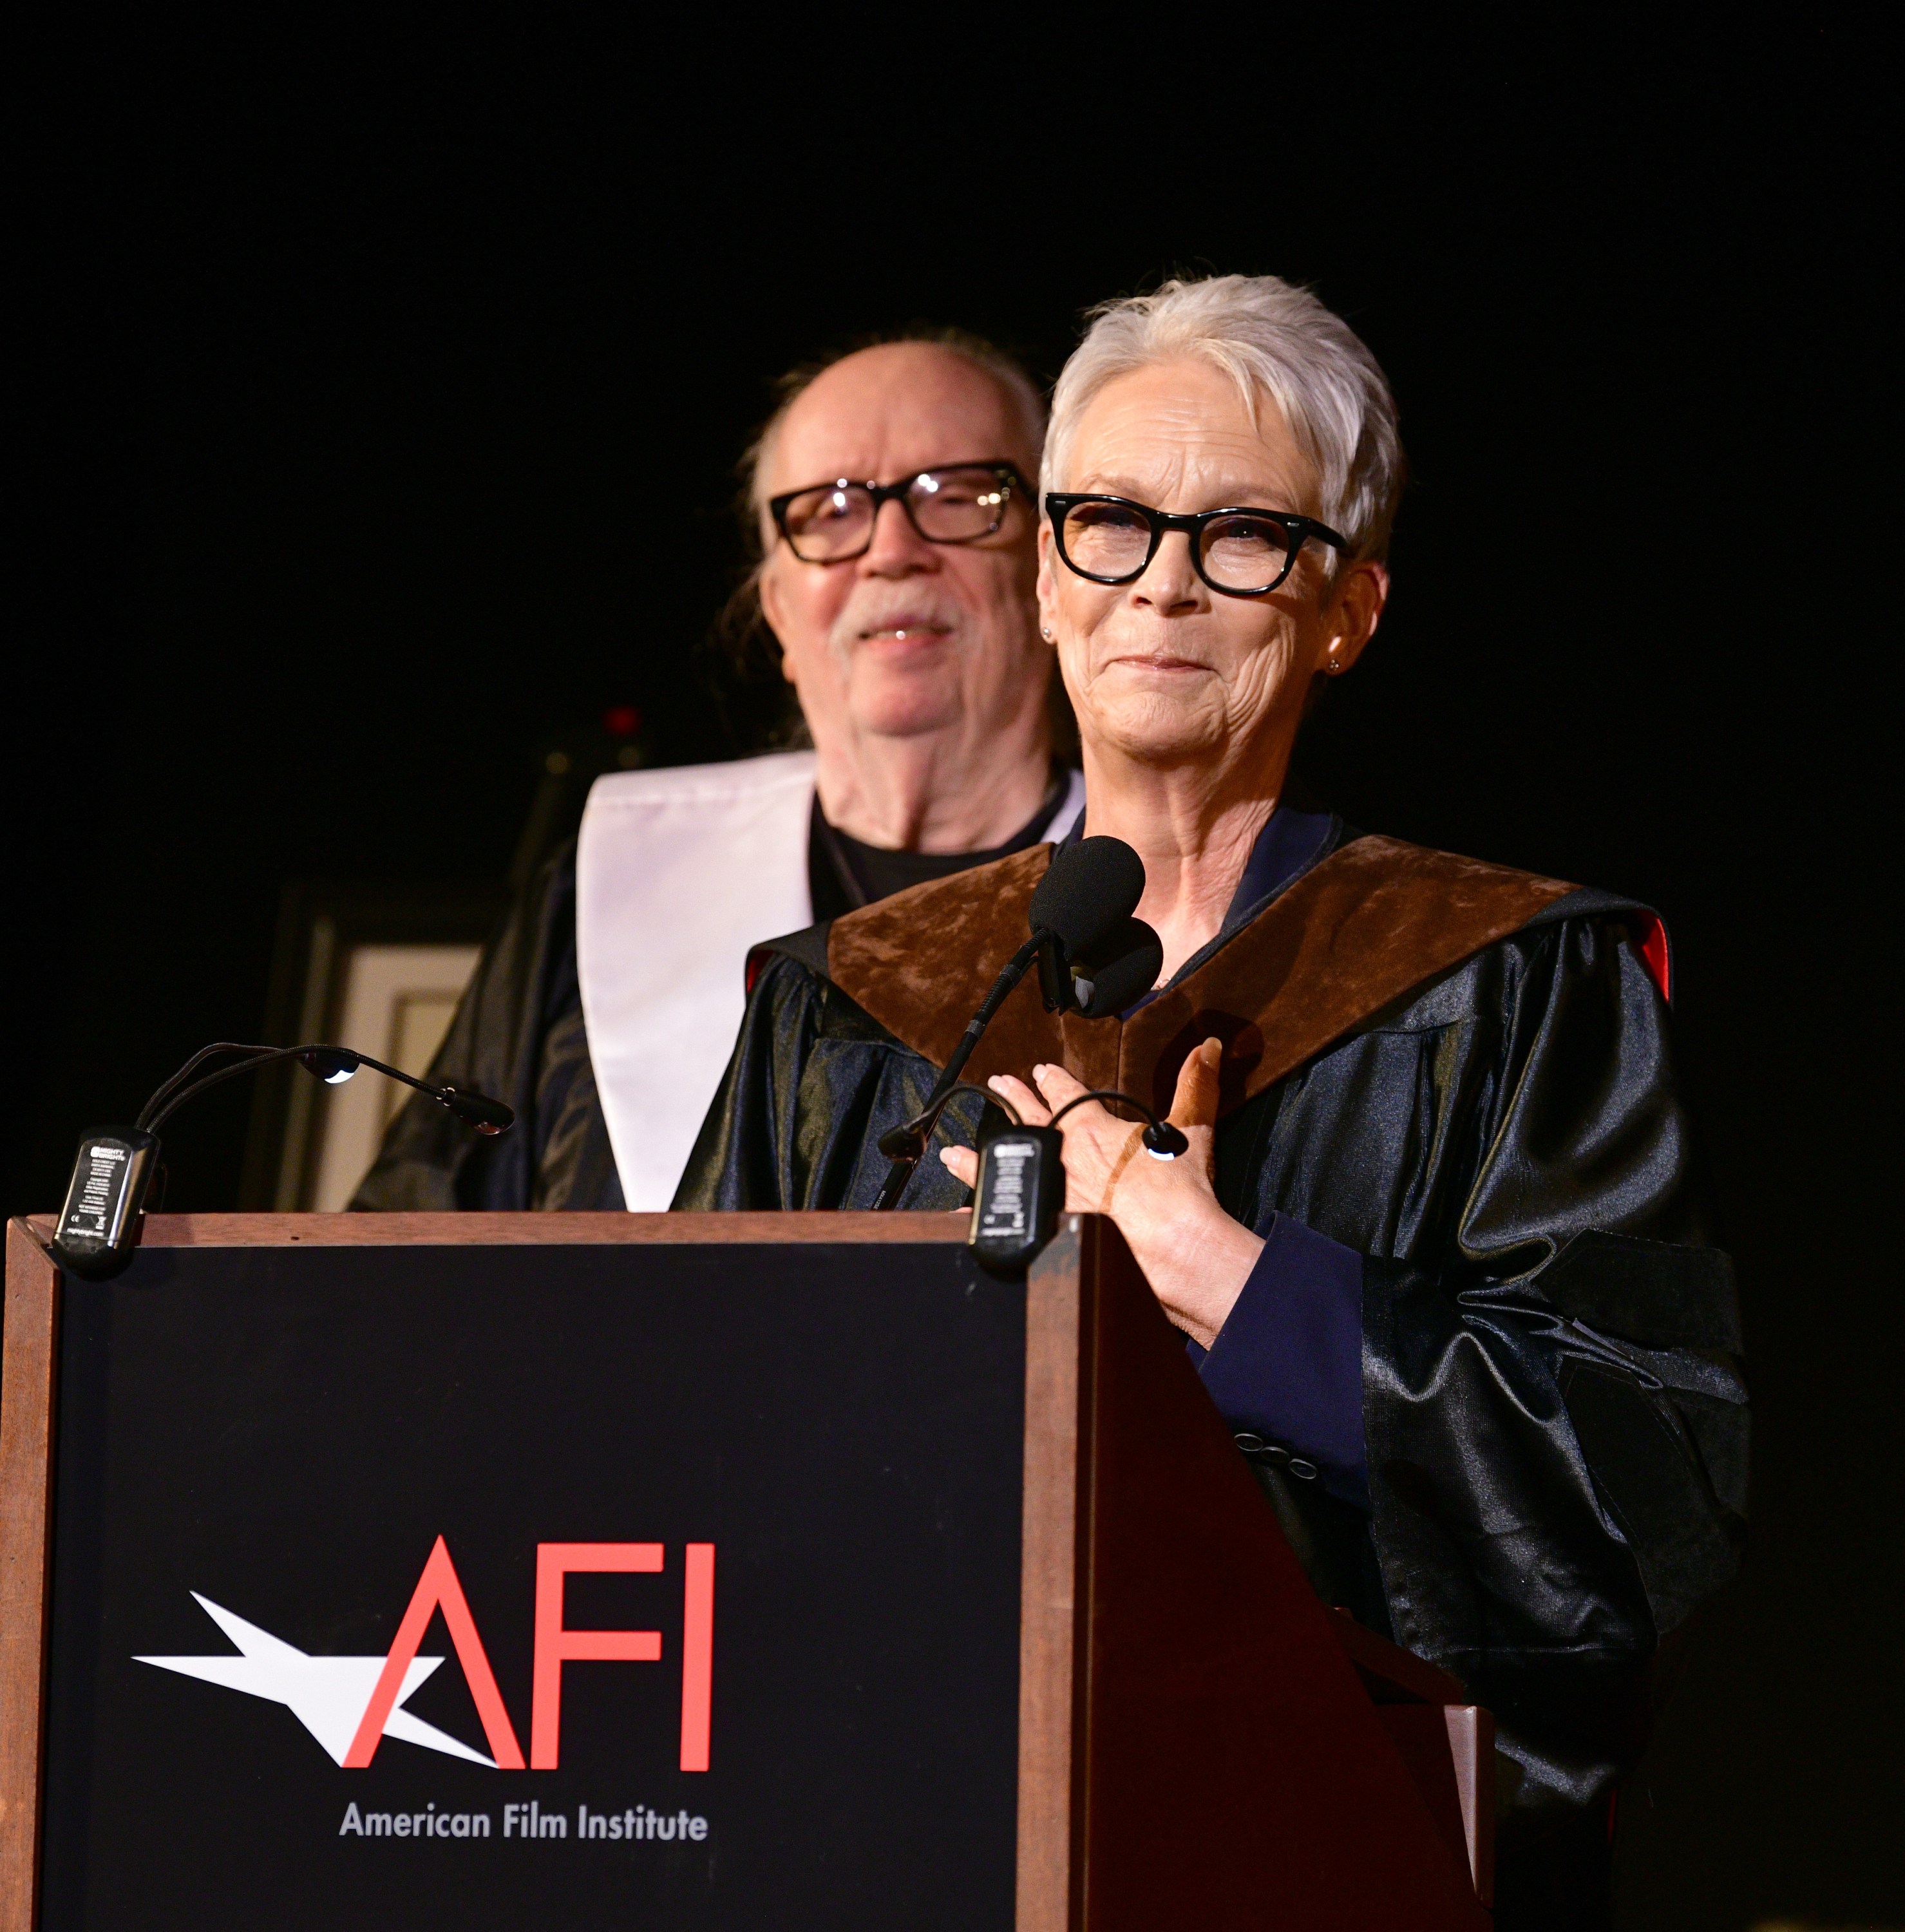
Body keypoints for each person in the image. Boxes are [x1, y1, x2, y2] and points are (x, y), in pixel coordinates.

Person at [677, 275, 1747, 1926]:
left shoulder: (1513, 985)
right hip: (885, 1844)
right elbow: (674, 1450)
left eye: (1245, 534)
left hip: (1321, 1862)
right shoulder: (850, 1007)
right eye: (1107, 521)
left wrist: (1229, 1283)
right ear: (1044, 574)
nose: (1161, 583)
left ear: (1348, 609)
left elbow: (1634, 1513)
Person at [354, 330, 1081, 1211]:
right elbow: (418, 1239)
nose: (891, 550)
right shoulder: (614, 874)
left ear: (1052, 569)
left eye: (960, 494)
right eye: (830, 511)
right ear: (777, 607)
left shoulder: (1142, 895)